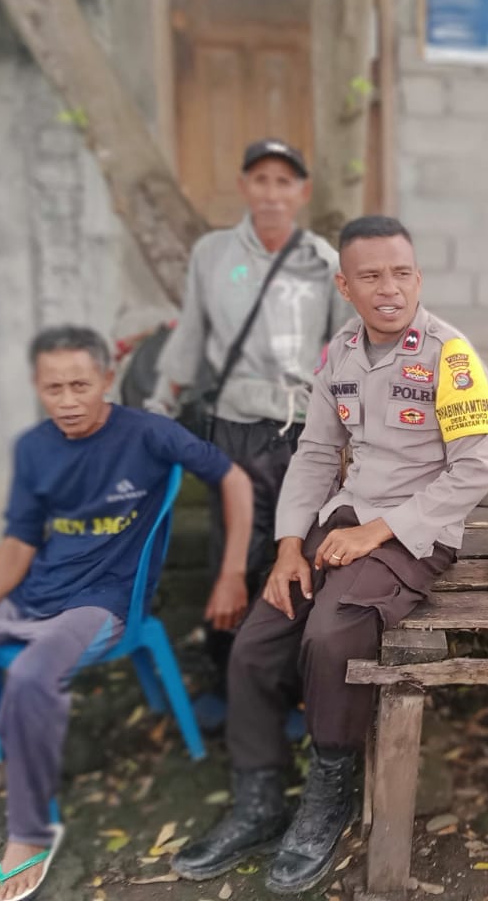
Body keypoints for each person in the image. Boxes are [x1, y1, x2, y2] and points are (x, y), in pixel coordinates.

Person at [173, 215, 488, 893]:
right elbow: (317, 452)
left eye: (401, 273)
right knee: (255, 642)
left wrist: (377, 532)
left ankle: (330, 793)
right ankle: (260, 799)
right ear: (344, 286)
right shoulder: (341, 352)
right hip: (338, 524)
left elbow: (472, 471)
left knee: (331, 634)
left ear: (419, 278)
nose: (389, 289)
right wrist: (290, 546)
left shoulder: (450, 356)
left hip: (415, 534)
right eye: (371, 276)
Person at [0, 326, 252, 901]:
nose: (68, 401)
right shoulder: (35, 447)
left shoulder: (149, 433)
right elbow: (19, 542)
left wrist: (231, 572)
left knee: (31, 672)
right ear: (37, 387)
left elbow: (232, 480)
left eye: (80, 385)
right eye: (53, 388)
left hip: (103, 602)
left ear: (107, 378)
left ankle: (29, 833)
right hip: (33, 589)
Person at [148, 138, 347, 731]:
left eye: (284, 182)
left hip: (302, 433)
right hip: (233, 430)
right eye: (261, 180)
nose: (271, 193)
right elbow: (191, 335)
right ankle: (227, 685)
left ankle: (288, 691)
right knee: (231, 557)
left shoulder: (324, 262)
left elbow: (344, 351)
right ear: (244, 187)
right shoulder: (213, 254)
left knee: (295, 558)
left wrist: (351, 432)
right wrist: (159, 404)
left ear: (302, 193)